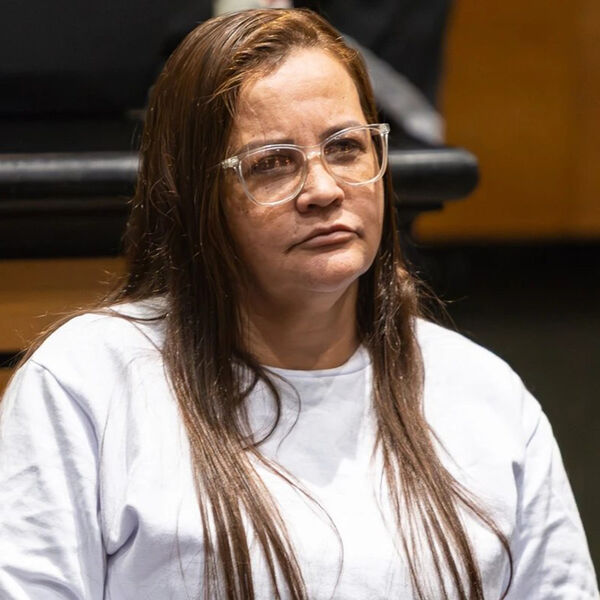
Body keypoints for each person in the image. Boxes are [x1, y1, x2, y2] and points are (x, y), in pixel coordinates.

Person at [0, 8, 597, 600]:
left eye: (346, 147)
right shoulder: (86, 385)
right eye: (271, 164)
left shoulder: (486, 396)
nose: (324, 190)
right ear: (195, 196)